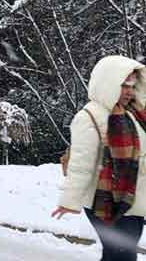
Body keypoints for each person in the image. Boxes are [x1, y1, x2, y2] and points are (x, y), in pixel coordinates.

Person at [53, 56, 146, 261]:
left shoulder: (135, 112)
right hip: (105, 202)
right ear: (108, 83)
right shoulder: (89, 116)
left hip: (133, 200)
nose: (129, 91)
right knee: (122, 255)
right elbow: (81, 163)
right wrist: (70, 200)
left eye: (132, 85)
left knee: (120, 255)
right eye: (123, 85)